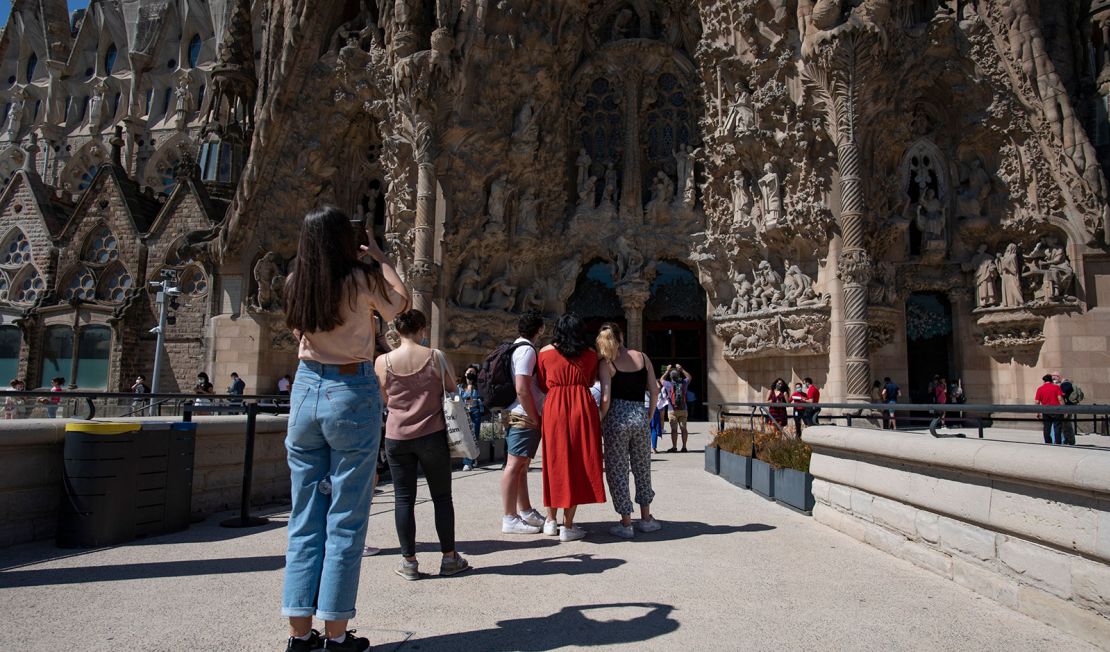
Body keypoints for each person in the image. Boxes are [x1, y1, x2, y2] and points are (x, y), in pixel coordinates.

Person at [281, 206, 409, 652]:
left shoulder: (296, 282)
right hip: (350, 389)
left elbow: (299, 327)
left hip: (305, 391)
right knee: (346, 520)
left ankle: (300, 636)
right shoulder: (359, 279)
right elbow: (400, 307)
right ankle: (336, 635)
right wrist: (381, 258)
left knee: (303, 518)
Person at [376, 309, 470, 582]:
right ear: (422, 329)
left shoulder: (383, 361)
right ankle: (449, 558)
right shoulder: (435, 356)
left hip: (397, 436)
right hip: (432, 433)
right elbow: (452, 388)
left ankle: (409, 562)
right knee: (442, 498)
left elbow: (385, 397)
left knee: (403, 498)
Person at [537, 313, 606, 542]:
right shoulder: (589, 354)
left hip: (555, 405)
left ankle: (550, 520)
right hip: (580, 406)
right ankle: (568, 525)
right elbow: (589, 381)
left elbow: (542, 382)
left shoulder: (545, 352)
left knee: (553, 460)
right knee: (576, 463)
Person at [596, 323, 662, 539]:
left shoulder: (607, 363)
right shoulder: (642, 358)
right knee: (642, 467)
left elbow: (605, 399)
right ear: (622, 336)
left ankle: (626, 523)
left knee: (618, 470)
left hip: (616, 418)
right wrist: (649, 415)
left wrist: (600, 419)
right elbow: (654, 390)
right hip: (639, 416)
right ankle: (646, 518)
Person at [500, 309, 548, 535]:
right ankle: (509, 517)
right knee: (514, 465)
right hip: (523, 414)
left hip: (516, 412)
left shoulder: (514, 348)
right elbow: (522, 388)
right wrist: (535, 416)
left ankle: (525, 509)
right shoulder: (527, 351)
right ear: (540, 329)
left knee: (521, 466)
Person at [457, 364, 483, 471]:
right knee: (466, 437)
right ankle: (473, 458)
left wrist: (473, 391)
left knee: (473, 436)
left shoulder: (479, 387)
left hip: (475, 412)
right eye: (469, 372)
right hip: (464, 413)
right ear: (465, 373)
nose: (471, 374)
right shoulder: (460, 387)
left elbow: (482, 399)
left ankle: (468, 462)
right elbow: (457, 400)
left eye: (473, 373)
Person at [661, 364, 692, 452]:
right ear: (678, 376)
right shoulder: (684, 383)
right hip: (683, 409)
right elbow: (689, 377)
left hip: (672, 410)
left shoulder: (668, 384)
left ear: (671, 377)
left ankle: (674, 447)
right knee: (684, 429)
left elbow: (661, 379)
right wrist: (682, 370)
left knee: (674, 430)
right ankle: (684, 447)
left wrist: (667, 370)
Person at [1034, 373, 1066, 445]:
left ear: (1044, 381)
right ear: (1051, 380)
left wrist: (1037, 412)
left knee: (1046, 427)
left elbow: (1037, 402)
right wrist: (1064, 409)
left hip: (1045, 410)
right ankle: (1058, 442)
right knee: (1057, 427)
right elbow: (1060, 399)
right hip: (1057, 410)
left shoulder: (1040, 389)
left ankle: (1048, 442)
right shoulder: (1056, 387)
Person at [1060, 377, 1084, 445]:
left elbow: (1063, 393)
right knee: (1068, 424)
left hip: (1066, 406)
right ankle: (1070, 440)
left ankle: (1069, 440)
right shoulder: (1073, 386)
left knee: (1066, 425)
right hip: (1072, 405)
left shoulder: (1065, 385)